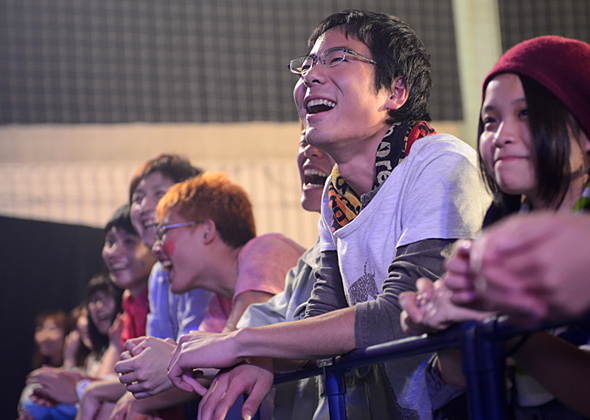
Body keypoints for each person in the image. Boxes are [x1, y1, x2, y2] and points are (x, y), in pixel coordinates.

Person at [165, 10, 490, 420]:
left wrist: (241, 342)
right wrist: (259, 362)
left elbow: (400, 315)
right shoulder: (337, 197)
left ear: (396, 92)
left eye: (338, 59)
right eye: (308, 64)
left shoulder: (441, 163)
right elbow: (321, 319)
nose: (310, 77)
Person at [400, 35, 590, 419]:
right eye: (490, 120)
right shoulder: (497, 232)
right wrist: (447, 325)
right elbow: (462, 381)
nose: (501, 136)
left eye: (526, 114)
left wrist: (512, 334)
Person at [114, 172, 304, 404]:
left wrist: (173, 357)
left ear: (207, 231)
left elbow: (237, 347)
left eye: (164, 232)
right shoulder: (220, 302)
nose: (155, 248)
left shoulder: (266, 250)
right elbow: (209, 360)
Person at [109, 154, 213, 420]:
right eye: (138, 198)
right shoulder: (157, 275)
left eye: (159, 194)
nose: (145, 207)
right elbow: (150, 352)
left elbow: (199, 359)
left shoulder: (202, 264)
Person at [76, 204, 156, 420]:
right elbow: (125, 375)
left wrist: (81, 389)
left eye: (129, 241)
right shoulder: (130, 301)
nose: (113, 252)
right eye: (110, 242)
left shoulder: (162, 294)